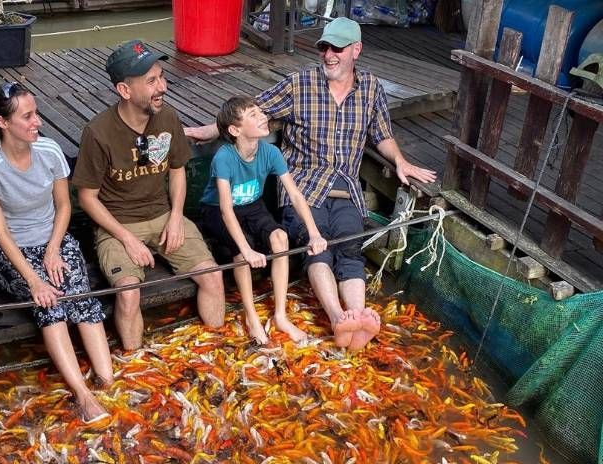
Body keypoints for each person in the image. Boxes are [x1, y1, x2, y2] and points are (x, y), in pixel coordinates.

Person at [186, 18, 437, 350]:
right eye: (324, 48)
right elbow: (248, 115)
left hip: (346, 187)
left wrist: (401, 161)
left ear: (356, 50)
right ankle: (337, 318)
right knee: (315, 245)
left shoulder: (372, 89)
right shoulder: (298, 84)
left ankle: (358, 316)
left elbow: (382, 135)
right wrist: (201, 132)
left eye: (337, 48)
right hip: (304, 185)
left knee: (349, 248)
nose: (329, 55)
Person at [0, 82, 113, 423]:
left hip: (54, 238)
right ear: (2, 123)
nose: (37, 121)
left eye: (36, 113)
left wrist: (53, 249)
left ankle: (107, 381)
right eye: (28, 116)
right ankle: (83, 395)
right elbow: (1, 232)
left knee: (80, 294)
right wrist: (34, 280)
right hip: (11, 252)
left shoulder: (49, 151)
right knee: (51, 302)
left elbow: (64, 206)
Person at [73, 39, 224, 350]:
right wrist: (126, 239)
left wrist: (177, 217)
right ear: (124, 91)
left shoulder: (167, 117)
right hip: (118, 225)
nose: (162, 87)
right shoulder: (98, 132)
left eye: (161, 77)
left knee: (213, 276)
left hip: (163, 214)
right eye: (151, 81)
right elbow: (88, 198)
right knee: (128, 294)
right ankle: (136, 362)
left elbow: (178, 170)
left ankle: (214, 352)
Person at [199, 96, 327, 344]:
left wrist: (314, 233)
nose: (263, 117)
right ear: (235, 130)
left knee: (280, 238)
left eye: (261, 112)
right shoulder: (224, 157)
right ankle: (251, 315)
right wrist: (247, 250)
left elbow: (296, 195)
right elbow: (226, 209)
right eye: (253, 115)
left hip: (253, 205)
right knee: (239, 248)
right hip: (216, 209)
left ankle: (280, 314)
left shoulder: (270, 151)